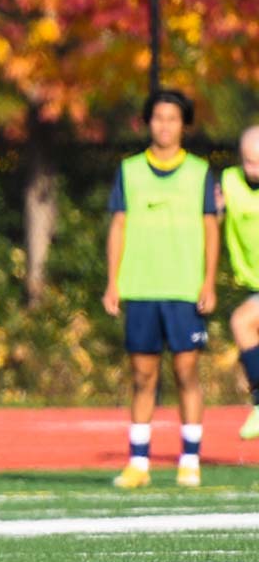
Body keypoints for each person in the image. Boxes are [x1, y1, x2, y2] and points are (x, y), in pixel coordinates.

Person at [102, 89, 217, 489]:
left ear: (184, 125)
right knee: (142, 375)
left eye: (172, 118)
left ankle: (190, 459)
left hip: (184, 288)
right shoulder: (129, 170)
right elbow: (118, 225)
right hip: (142, 286)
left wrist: (208, 281)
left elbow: (210, 228)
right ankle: (139, 463)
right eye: (157, 118)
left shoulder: (200, 171)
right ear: (147, 122)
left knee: (187, 371)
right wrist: (113, 282)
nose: (164, 126)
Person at [221, 126, 259, 440]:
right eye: (249, 162)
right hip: (253, 283)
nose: (254, 169)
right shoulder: (229, 182)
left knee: (243, 320)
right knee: (243, 324)